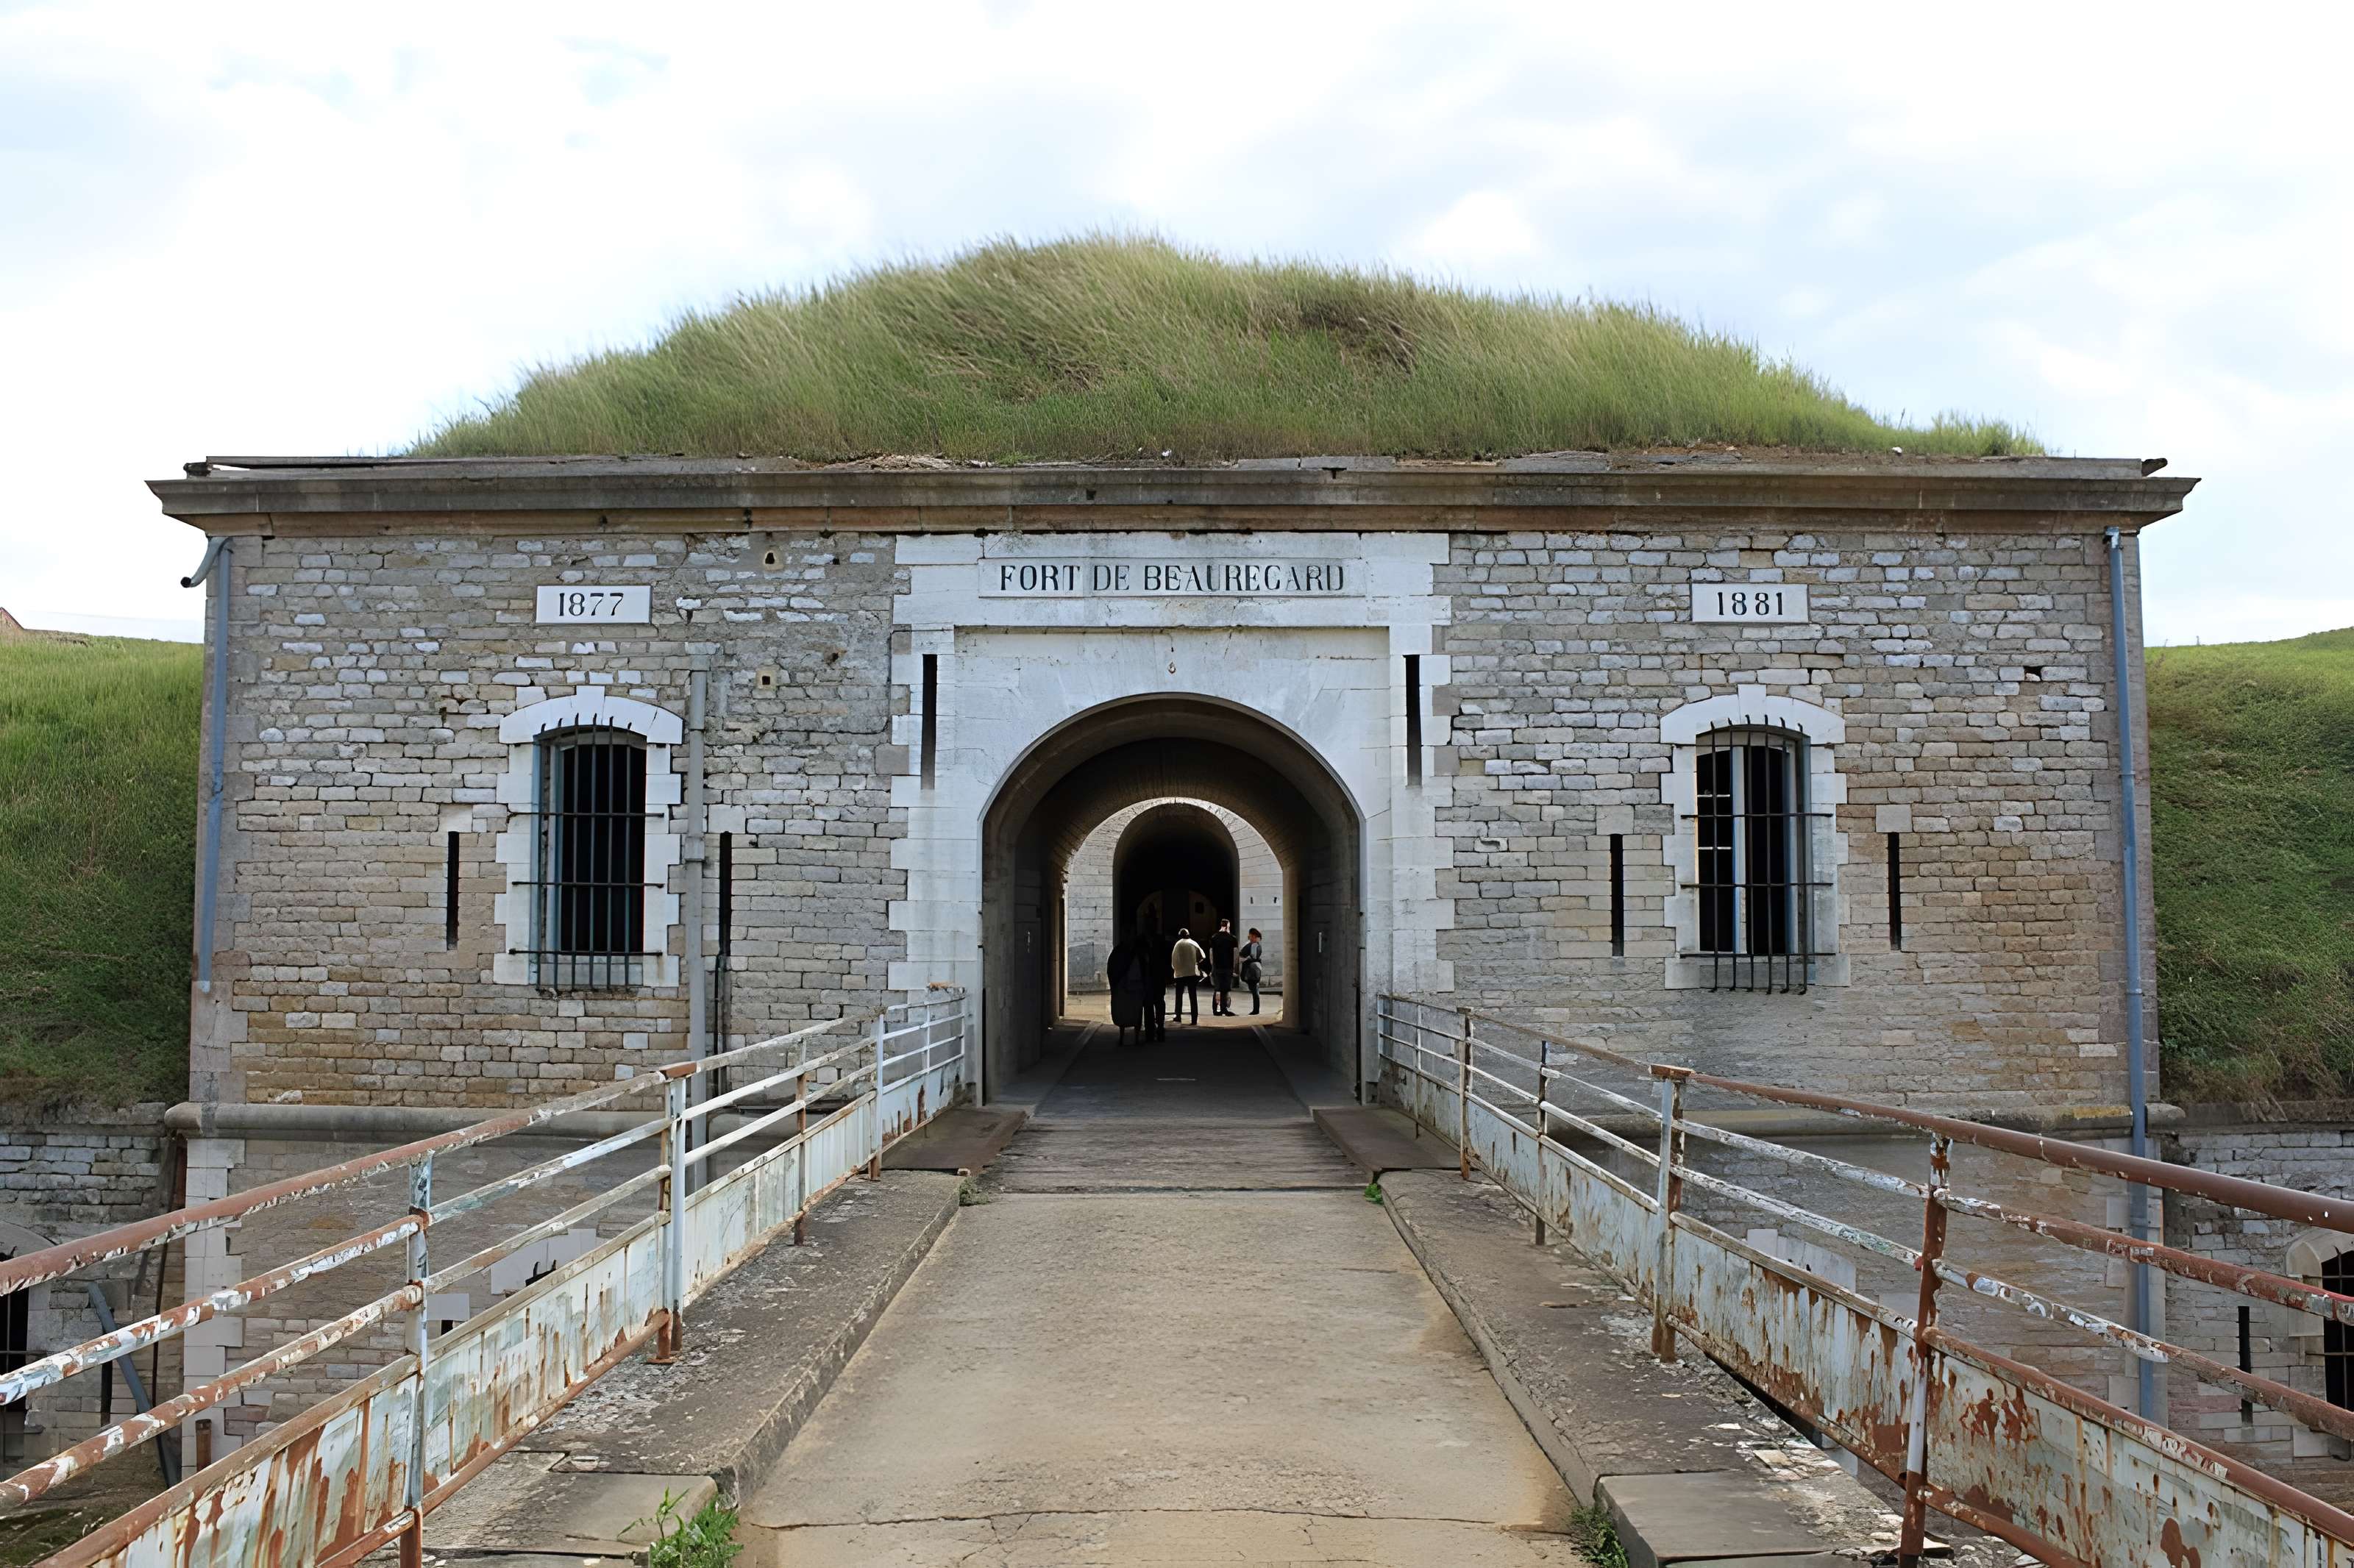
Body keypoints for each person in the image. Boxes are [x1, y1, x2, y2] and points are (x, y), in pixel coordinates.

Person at [1106, 926, 1146, 1047]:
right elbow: (1112, 968)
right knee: (1126, 1011)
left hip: (1134, 985)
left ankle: (1133, 1038)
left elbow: (1111, 968)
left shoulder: (1132, 950)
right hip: (1124, 985)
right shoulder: (1122, 951)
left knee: (1135, 1011)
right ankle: (1126, 1037)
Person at [1168, 927, 1205, 1027]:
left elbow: (1173, 960)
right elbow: (1202, 956)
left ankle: (1178, 1016)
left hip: (1180, 974)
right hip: (1192, 973)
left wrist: (1176, 969)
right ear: (1188, 935)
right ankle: (1194, 1018)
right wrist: (1196, 962)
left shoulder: (1177, 944)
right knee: (1193, 996)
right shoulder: (1193, 943)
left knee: (1179, 996)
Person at [1141, 921, 1171, 1041]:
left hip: (1157, 976)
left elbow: (1165, 959)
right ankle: (1151, 1029)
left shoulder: (1158, 941)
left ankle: (1159, 1027)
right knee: (1151, 1004)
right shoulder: (1145, 941)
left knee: (1157, 1003)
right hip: (1150, 977)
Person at [1206, 919, 1239, 1016]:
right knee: (1225, 988)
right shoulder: (1232, 938)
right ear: (1228, 926)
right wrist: (1235, 968)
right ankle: (1224, 1009)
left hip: (1217, 967)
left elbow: (1211, 953)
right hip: (1228, 967)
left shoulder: (1214, 937)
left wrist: (1213, 966)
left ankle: (1215, 1010)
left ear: (1221, 925)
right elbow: (1235, 954)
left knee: (1217, 988)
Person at [1238, 928, 1265, 1016]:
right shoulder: (1252, 945)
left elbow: (1253, 957)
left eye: (1253, 936)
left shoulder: (1254, 945)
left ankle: (1256, 1010)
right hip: (1253, 969)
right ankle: (1256, 1010)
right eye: (1250, 936)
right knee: (1254, 990)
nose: (1251, 938)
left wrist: (1244, 959)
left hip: (1252, 969)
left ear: (1256, 937)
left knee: (1255, 990)